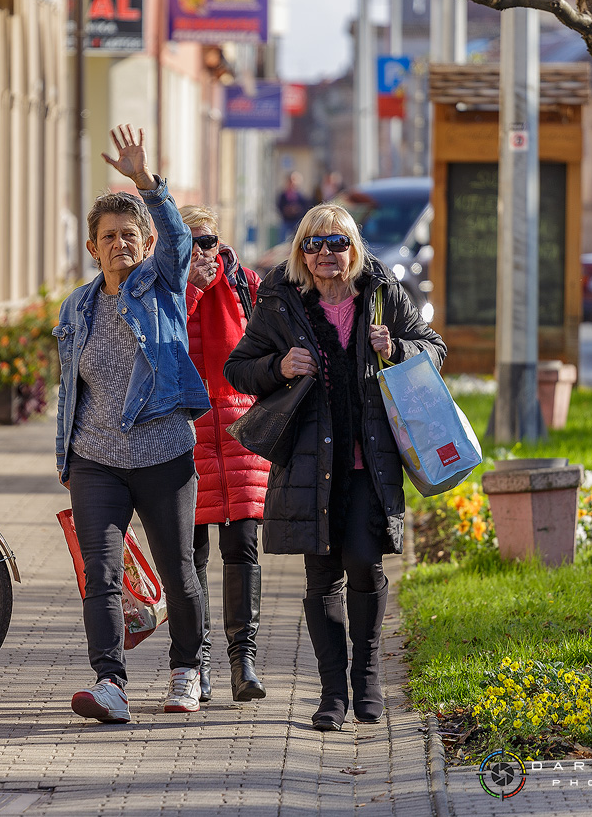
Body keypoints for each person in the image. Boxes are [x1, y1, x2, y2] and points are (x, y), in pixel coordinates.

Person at [222, 203, 445, 731]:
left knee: (366, 567)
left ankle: (366, 682)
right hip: (309, 464)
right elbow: (237, 370)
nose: (326, 253)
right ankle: (332, 695)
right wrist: (278, 366)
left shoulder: (383, 293)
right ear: (302, 252)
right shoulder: (280, 301)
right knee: (321, 578)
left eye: (337, 243)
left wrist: (399, 347)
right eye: (314, 244)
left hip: (370, 464)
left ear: (354, 249)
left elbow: (434, 351)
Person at [55, 125, 211, 723]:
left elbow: (177, 236)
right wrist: (67, 460)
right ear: (93, 247)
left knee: (178, 568)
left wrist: (146, 183)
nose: (120, 244)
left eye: (129, 235)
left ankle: (186, 672)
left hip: (164, 452)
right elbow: (73, 389)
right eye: (108, 237)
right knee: (100, 571)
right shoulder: (77, 307)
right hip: (96, 457)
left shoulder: (163, 284)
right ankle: (110, 683)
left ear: (145, 244)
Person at [179, 204, 269, 704]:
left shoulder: (247, 286)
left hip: (240, 437)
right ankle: (199, 662)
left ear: (222, 241)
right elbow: (162, 343)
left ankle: (244, 662)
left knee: (242, 549)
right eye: (189, 241)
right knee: (189, 559)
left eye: (208, 240)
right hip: (184, 439)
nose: (201, 251)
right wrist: (189, 287)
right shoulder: (164, 291)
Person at [275, 172, 311, 243]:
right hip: (286, 221)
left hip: (297, 221)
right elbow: (279, 206)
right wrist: (287, 210)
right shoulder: (283, 195)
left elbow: (304, 207)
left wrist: (297, 210)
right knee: (282, 239)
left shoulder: (301, 196)